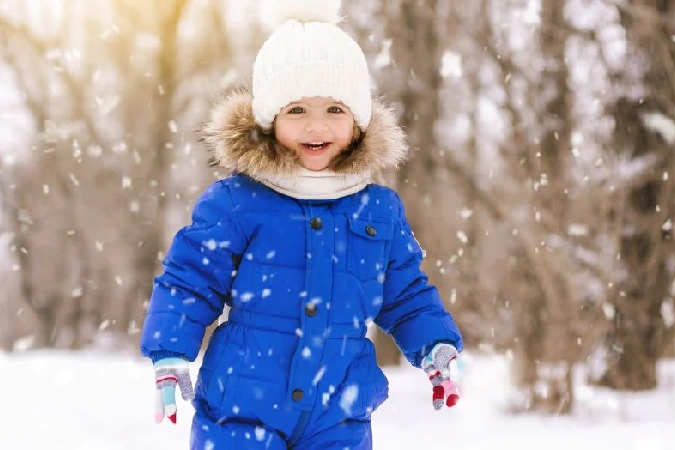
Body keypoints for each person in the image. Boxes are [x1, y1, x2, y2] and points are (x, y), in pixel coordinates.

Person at [140, 0, 464, 448]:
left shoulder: (378, 210)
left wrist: (435, 345)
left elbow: (405, 294)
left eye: (335, 109)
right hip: (242, 403)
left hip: (339, 411)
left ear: (358, 121)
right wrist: (171, 351)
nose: (317, 125)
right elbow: (190, 280)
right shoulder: (238, 201)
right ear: (270, 120)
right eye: (297, 110)